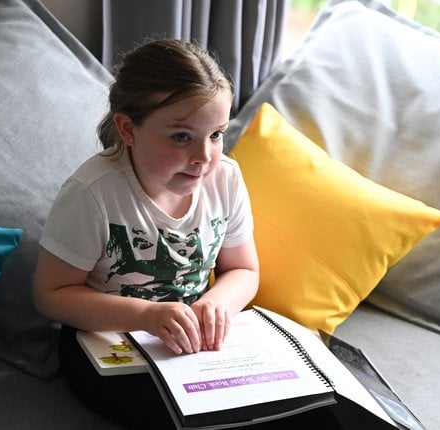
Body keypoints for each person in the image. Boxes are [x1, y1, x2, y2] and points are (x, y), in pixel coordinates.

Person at [33, 39, 341, 429]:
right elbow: (51, 295)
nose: (204, 156)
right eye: (181, 137)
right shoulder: (93, 194)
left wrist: (216, 304)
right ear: (127, 128)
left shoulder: (225, 177)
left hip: (192, 341)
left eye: (216, 134)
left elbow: (243, 270)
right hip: (108, 343)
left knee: (312, 409)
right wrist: (147, 314)